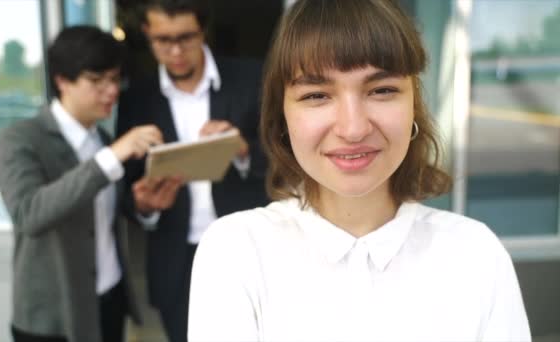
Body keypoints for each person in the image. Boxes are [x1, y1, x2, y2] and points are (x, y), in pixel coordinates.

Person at [188, 0, 531, 341]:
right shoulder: (236, 252)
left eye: (381, 90)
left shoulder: (475, 253)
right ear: (283, 118)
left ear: (414, 104)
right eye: (317, 95)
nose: (353, 129)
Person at [0, 26, 165, 342]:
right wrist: (111, 157)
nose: (111, 91)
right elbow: (29, 214)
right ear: (62, 80)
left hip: (110, 298)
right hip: (53, 317)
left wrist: (141, 205)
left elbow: (102, 217)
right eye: (96, 80)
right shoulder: (21, 139)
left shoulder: (102, 139)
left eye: (114, 79)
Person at [116, 1, 269, 341]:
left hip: (247, 243)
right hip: (175, 257)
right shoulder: (135, 99)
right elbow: (125, 191)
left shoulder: (252, 78)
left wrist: (243, 149)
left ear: (203, 30)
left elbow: (287, 153)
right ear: (147, 35)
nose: (175, 51)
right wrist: (143, 205)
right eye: (162, 40)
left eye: (186, 38)